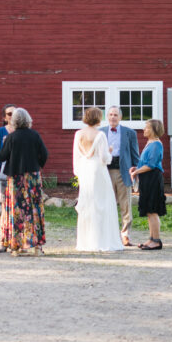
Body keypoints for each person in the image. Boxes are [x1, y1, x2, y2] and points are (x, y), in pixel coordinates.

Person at [0, 108, 49, 255]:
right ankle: (36, 245)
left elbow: (1, 156)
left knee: (17, 210)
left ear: (14, 121)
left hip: (15, 178)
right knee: (34, 209)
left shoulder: (11, 137)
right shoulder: (35, 135)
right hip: (32, 177)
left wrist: (5, 144)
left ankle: (16, 245)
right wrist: (36, 165)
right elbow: (44, 154)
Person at [72, 107, 122, 252]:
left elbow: (76, 156)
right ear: (98, 118)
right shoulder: (100, 135)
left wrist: (79, 173)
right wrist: (110, 152)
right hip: (98, 170)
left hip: (85, 170)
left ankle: (86, 241)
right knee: (102, 204)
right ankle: (101, 240)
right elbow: (105, 158)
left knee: (88, 204)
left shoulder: (78, 134)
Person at [102, 106, 140, 246]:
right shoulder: (101, 132)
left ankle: (125, 234)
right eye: (110, 114)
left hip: (123, 171)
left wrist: (137, 174)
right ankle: (108, 233)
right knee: (107, 204)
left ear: (120, 117)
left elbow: (135, 154)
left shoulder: (129, 133)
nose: (113, 117)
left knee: (126, 205)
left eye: (115, 115)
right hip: (106, 172)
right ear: (107, 117)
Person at [130, 119, 167, 250]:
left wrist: (136, 172)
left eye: (146, 128)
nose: (143, 130)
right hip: (146, 179)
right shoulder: (150, 143)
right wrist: (136, 169)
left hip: (153, 179)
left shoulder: (157, 144)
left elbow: (151, 165)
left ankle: (156, 241)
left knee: (153, 210)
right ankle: (151, 238)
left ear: (154, 129)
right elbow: (144, 162)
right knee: (148, 211)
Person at [0, 104, 16, 202]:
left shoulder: (22, 131)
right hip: (4, 168)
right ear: (5, 117)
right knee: (5, 197)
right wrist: (1, 167)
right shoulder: (0, 132)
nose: (13, 116)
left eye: (15, 113)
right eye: (10, 114)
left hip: (20, 168)